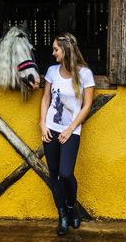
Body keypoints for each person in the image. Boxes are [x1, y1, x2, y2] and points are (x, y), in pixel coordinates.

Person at [40, 33, 95, 236]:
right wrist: (42, 124)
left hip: (71, 130)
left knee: (66, 173)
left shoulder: (85, 74)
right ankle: (62, 214)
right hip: (50, 129)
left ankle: (72, 207)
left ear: (66, 50)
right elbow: (45, 98)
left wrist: (70, 129)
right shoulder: (52, 71)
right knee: (53, 173)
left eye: (56, 49)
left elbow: (87, 105)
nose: (53, 53)